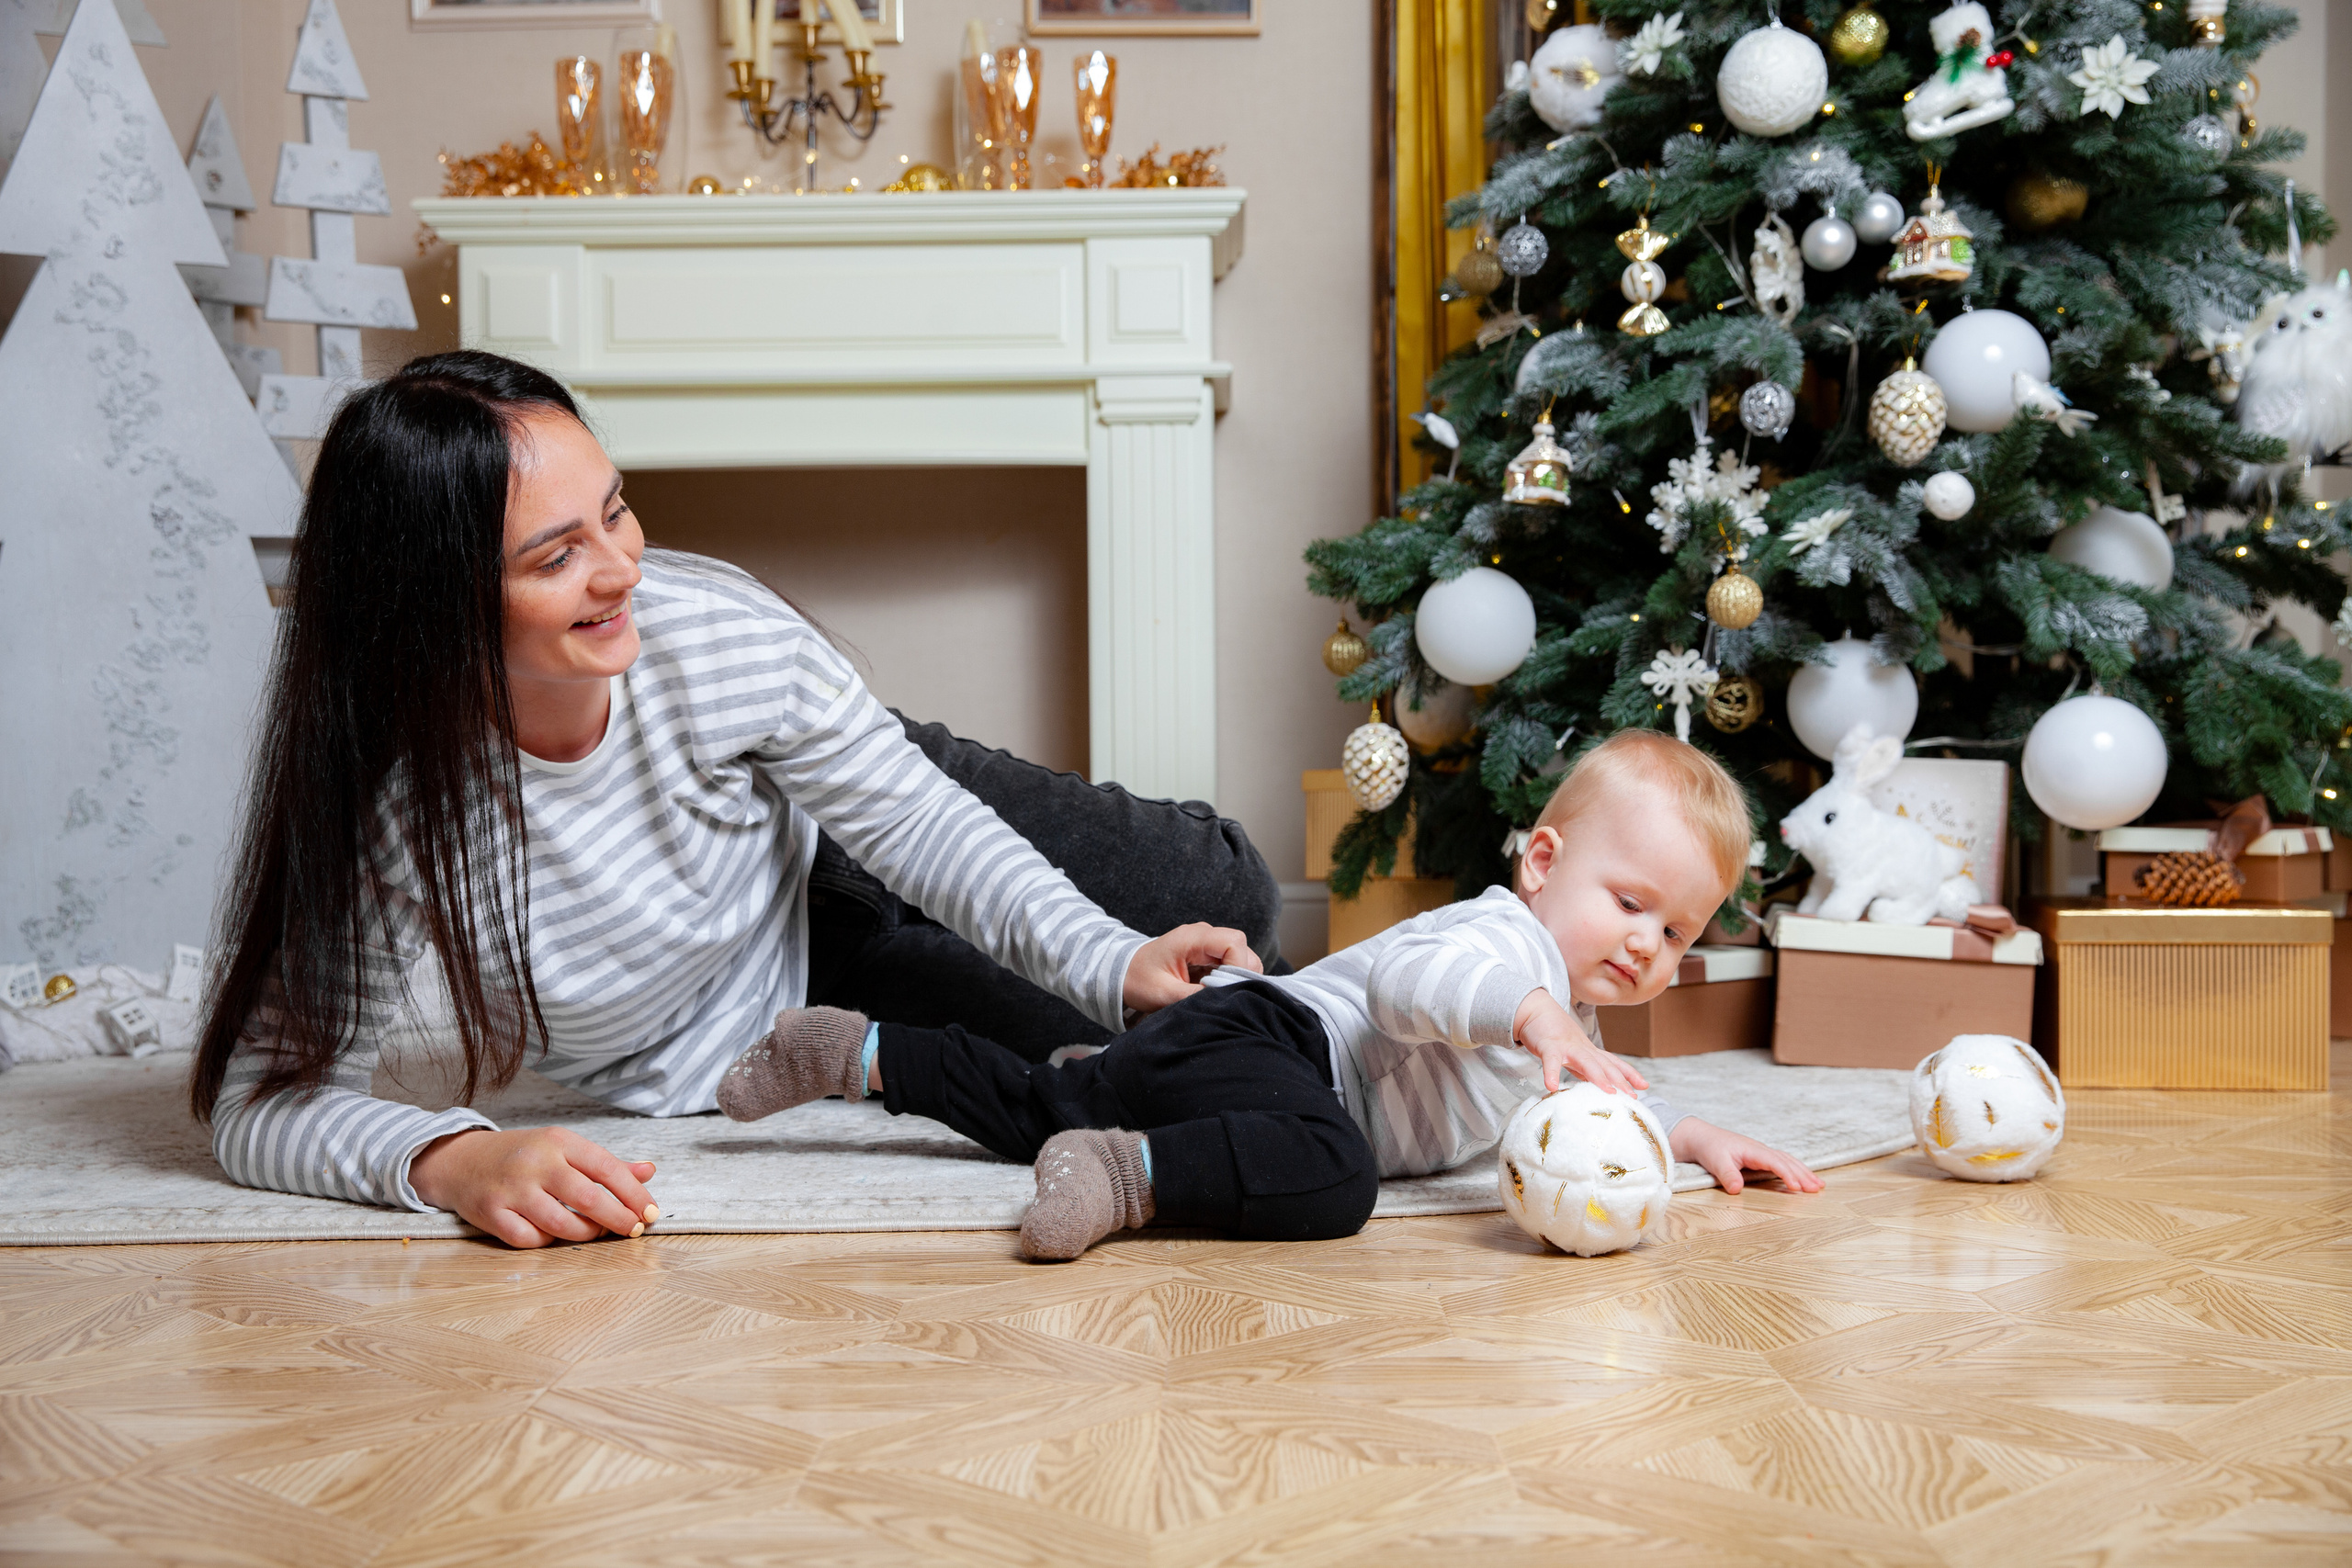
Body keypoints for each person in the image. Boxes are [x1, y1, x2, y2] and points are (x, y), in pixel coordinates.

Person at [190, 350, 1280, 1247]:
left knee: (1222, 898)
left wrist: (1103, 956)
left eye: (616, 512)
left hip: (841, 821)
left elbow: (914, 823)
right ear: (436, 609)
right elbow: (263, 1101)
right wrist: (454, 1159)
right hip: (800, 1008)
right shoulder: (394, 814)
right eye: (557, 555)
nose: (621, 569)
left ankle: (930, 806)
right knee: (1166, 1060)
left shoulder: (710, 628)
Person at [719, 728, 1826, 1258]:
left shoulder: (1564, 1023)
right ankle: (1133, 1172)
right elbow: (1414, 980)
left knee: (1036, 1110)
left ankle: (855, 1055)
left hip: (1232, 1073)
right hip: (1280, 1044)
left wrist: (1685, 1133)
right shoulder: (1505, 946)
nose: (1647, 944)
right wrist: (1529, 1013)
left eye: (1676, 930)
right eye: (1629, 902)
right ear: (1541, 863)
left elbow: (1592, 1093)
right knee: (1335, 1180)